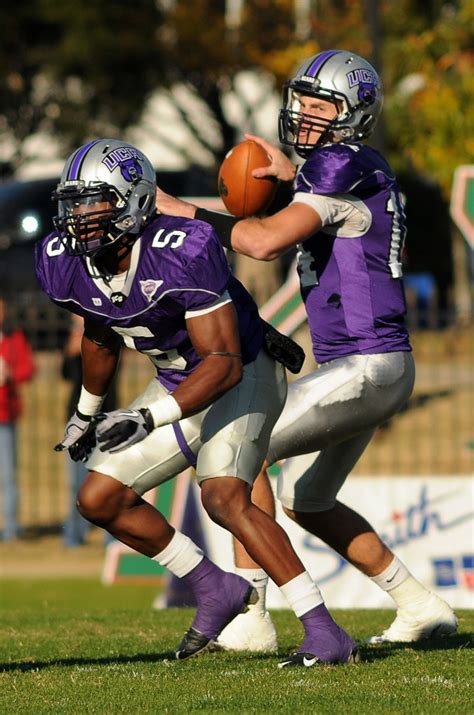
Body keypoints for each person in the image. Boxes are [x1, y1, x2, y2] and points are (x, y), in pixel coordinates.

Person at [155, 49, 458, 647]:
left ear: (354, 115)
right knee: (308, 498)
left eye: (322, 107)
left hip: (366, 365)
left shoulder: (341, 165)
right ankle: (421, 607)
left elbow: (265, 242)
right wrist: (293, 179)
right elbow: (332, 212)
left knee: (243, 448)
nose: (305, 115)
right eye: (303, 102)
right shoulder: (347, 168)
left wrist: (181, 210)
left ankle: (252, 614)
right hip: (373, 366)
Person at [35, 137, 359, 668]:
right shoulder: (63, 260)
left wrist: (147, 417)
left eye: (95, 204)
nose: (80, 219)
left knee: (224, 497)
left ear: (136, 201)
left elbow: (223, 362)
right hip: (176, 377)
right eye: (74, 205)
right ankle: (214, 588)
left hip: (242, 371)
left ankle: (323, 629)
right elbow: (99, 333)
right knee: (98, 499)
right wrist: (84, 414)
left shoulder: (180, 246)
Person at [61, 313, 119, 547]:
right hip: (78, 416)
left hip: (107, 414)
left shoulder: (110, 332)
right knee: (76, 481)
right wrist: (72, 351)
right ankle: (73, 535)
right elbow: (65, 374)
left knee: (109, 480)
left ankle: (111, 538)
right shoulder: (73, 340)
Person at [0, 295, 35, 540]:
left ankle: (11, 528)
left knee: (8, 474)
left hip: (5, 415)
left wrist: (10, 374)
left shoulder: (14, 338)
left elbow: (27, 369)